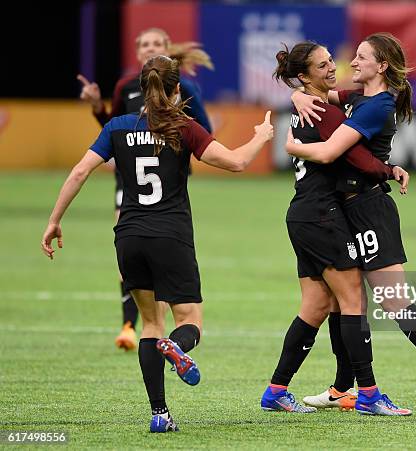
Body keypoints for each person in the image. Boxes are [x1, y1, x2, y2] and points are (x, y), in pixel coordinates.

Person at [42, 55, 274, 432]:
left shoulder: (118, 126)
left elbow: (81, 170)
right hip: (171, 236)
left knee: (150, 323)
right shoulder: (184, 128)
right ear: (177, 89)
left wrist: (54, 221)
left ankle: (160, 415)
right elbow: (235, 163)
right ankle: (178, 347)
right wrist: (261, 138)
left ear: (143, 91)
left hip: (128, 236)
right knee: (190, 321)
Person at [287, 32, 416, 418]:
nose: (352, 63)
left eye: (361, 57)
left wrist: (290, 145)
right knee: (345, 301)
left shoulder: (376, 108)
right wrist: (297, 94)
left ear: (381, 66)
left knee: (395, 301)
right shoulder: (360, 99)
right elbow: (318, 96)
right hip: (349, 211)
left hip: (370, 209)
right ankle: (341, 389)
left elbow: (327, 152)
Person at [260, 41, 412, 416]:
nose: (333, 67)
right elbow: (356, 157)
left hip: (303, 214)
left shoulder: (312, 102)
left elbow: (335, 100)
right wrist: (386, 169)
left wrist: (296, 93)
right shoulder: (321, 112)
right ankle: (369, 395)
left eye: (332, 60)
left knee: (316, 305)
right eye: (324, 65)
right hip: (323, 215)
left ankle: (276, 390)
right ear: (306, 74)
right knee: (352, 302)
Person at [77, 27, 214, 351]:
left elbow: (204, 132)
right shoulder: (127, 85)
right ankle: (130, 323)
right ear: (137, 52)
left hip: (168, 178)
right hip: (129, 176)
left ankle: (150, 327)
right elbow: (112, 126)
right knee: (135, 243)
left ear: (168, 48)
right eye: (145, 44)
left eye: (157, 44)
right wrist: (98, 106)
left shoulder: (185, 87)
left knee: (143, 243)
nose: (150, 48)